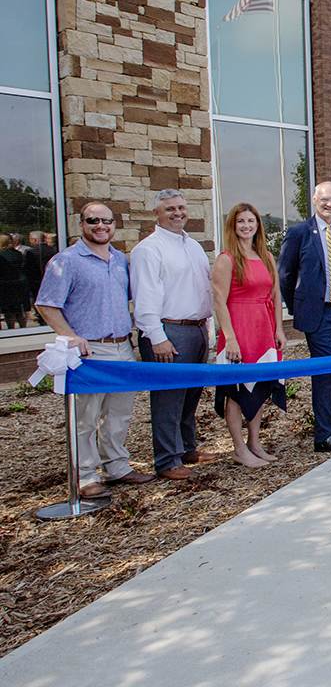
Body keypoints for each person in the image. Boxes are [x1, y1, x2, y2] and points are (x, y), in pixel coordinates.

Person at [35, 202, 153, 498]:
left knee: (119, 413)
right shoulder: (67, 261)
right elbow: (46, 304)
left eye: (106, 221)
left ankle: (117, 466)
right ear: (81, 224)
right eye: (93, 221)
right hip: (89, 352)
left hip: (121, 347)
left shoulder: (119, 260)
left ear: (114, 225)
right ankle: (86, 476)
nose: (100, 226)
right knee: (85, 417)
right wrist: (70, 336)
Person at [131, 189, 215, 480]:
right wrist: (157, 337)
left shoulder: (192, 246)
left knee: (191, 395)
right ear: (156, 214)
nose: (177, 213)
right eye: (170, 209)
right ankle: (167, 461)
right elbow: (144, 299)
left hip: (197, 329)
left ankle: (187, 449)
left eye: (181, 207)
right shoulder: (148, 249)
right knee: (168, 398)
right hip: (168, 331)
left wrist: (209, 330)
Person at [278, 181, 331, 453]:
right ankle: (324, 436)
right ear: (314, 199)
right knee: (325, 373)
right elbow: (285, 275)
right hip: (320, 315)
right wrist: (298, 307)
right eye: (325, 199)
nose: (330, 204)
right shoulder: (299, 232)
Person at [211, 203, 287, 468]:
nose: (246, 226)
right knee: (235, 390)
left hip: (263, 328)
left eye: (251, 221)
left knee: (261, 387)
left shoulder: (266, 256)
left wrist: (278, 329)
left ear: (258, 225)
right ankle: (239, 448)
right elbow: (219, 301)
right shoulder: (226, 259)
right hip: (238, 328)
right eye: (240, 221)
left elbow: (276, 296)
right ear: (233, 226)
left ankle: (255, 442)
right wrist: (229, 337)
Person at [0, 235, 29, 329]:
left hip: (5, 287)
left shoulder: (2, 255)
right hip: (18, 286)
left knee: (8, 312)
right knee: (19, 311)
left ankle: (11, 330)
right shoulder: (18, 254)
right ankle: (23, 328)